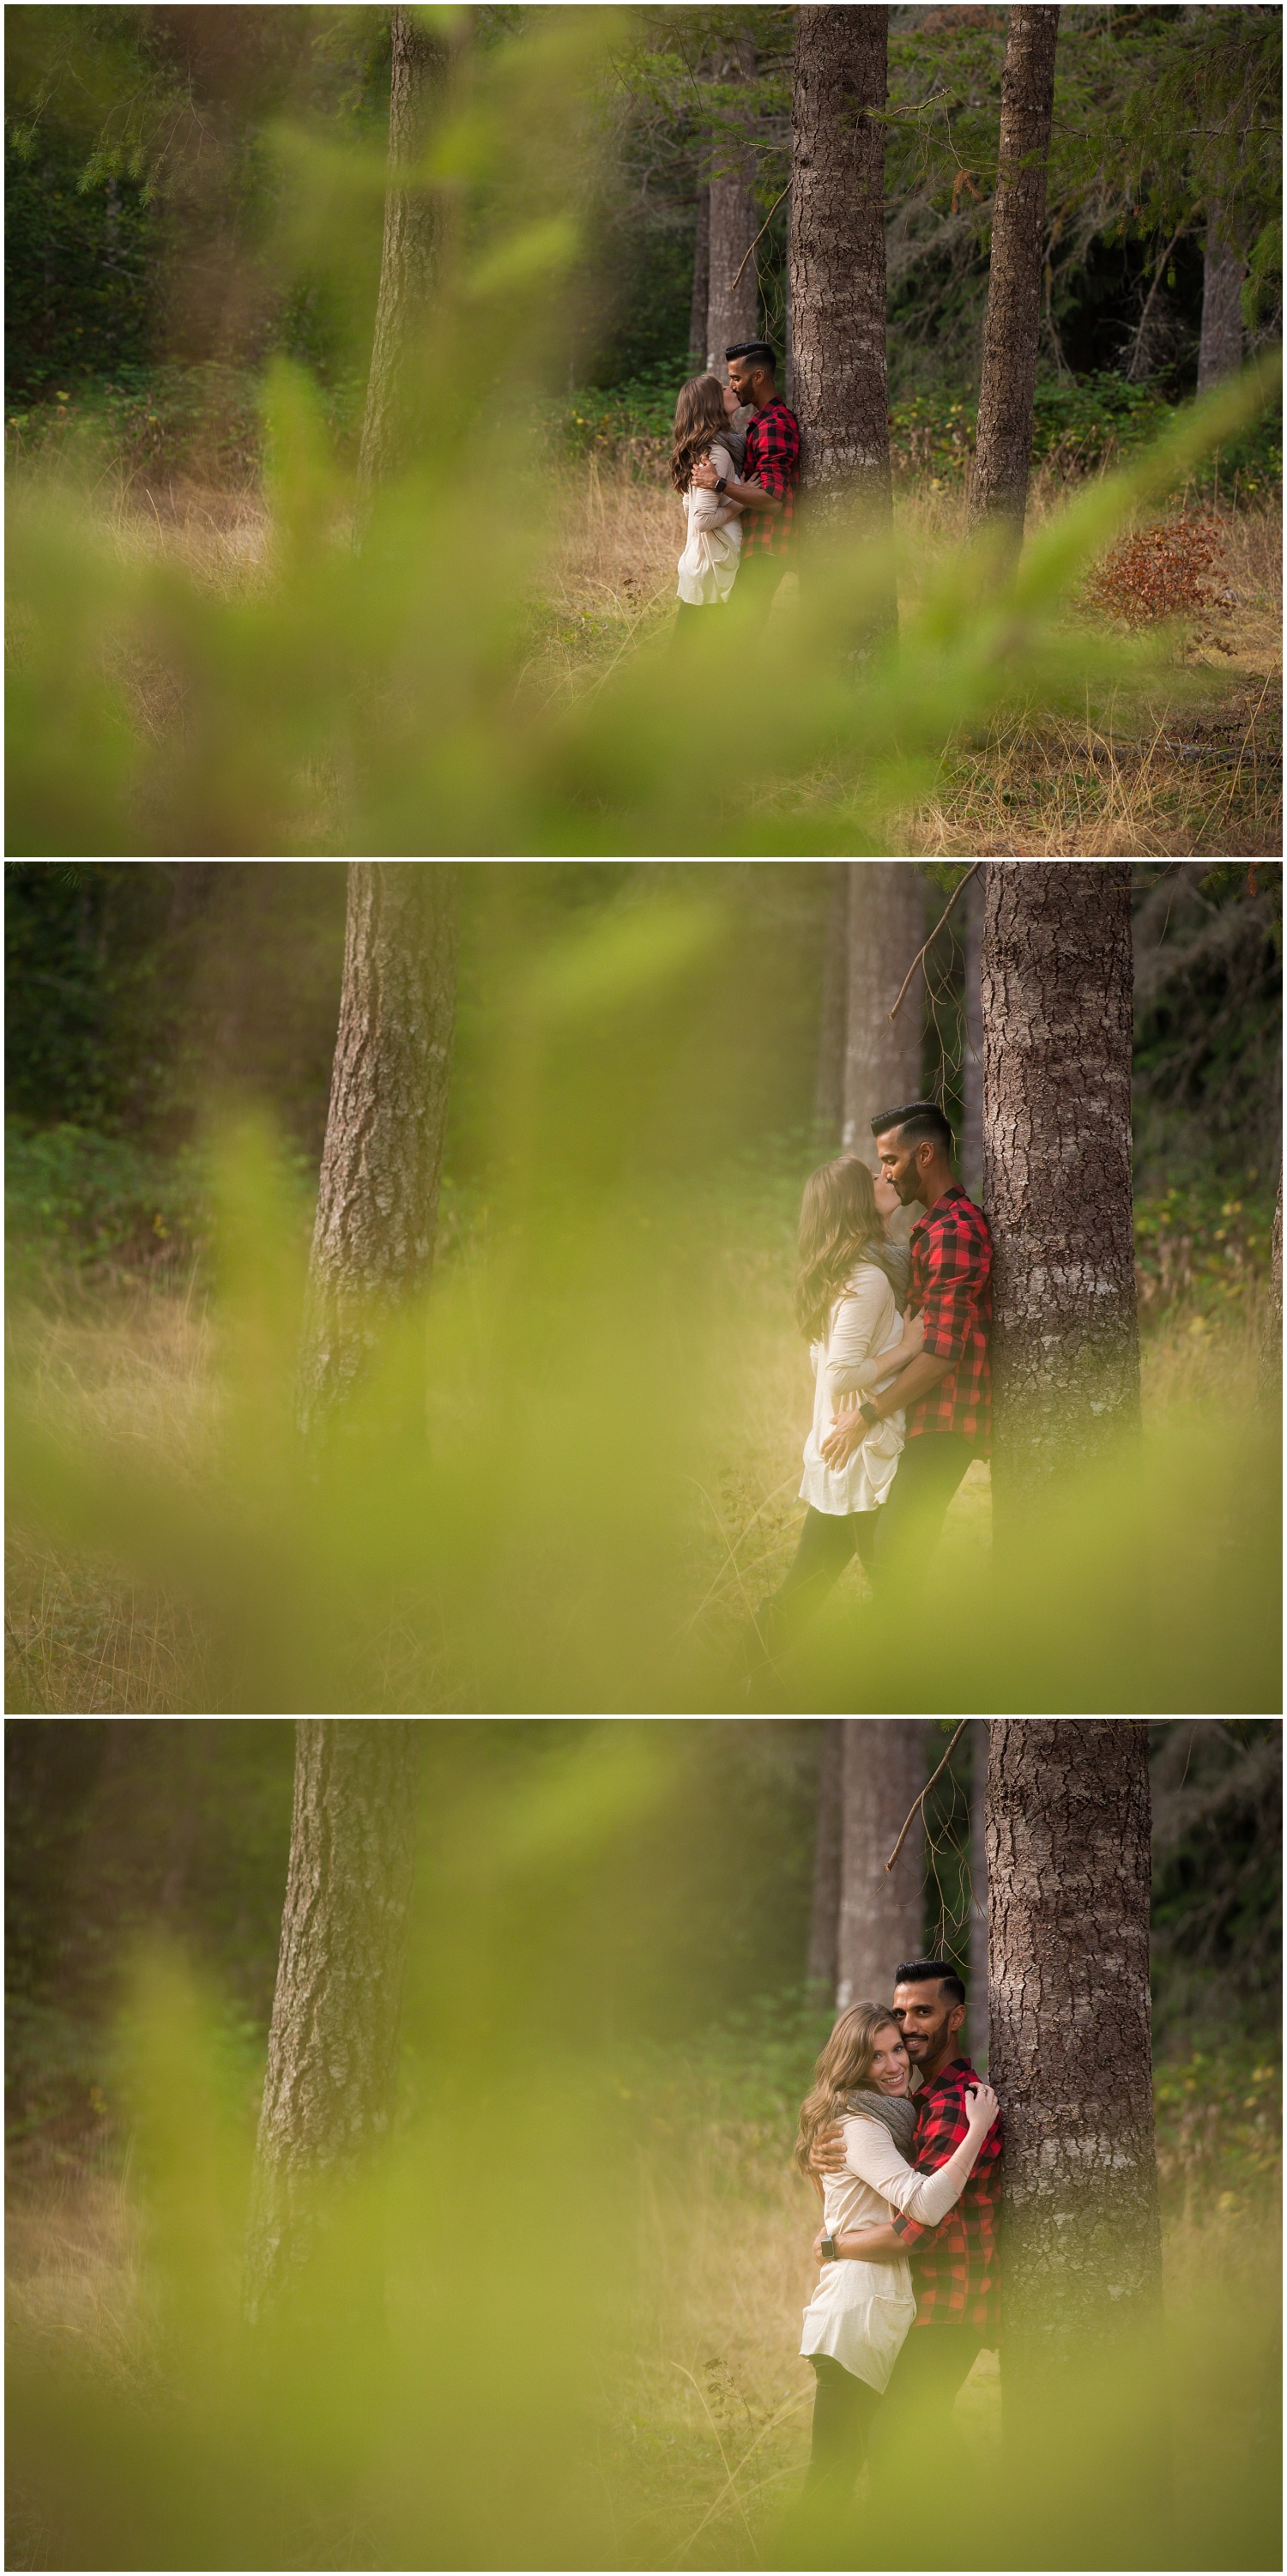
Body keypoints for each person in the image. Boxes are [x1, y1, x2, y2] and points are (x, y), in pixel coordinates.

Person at [793, 1999, 1000, 2532]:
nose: (893, 2065)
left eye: (897, 2050)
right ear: (852, 2066)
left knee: (912, 2448)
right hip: (857, 2318)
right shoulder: (861, 2126)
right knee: (836, 2478)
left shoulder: (892, 2117)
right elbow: (924, 2206)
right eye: (875, 2057)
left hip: (870, 2317)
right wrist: (977, 2130)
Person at [820, 1100, 992, 1585]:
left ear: (924, 1155)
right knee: (874, 1556)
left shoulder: (954, 1230)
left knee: (894, 1557)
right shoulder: (929, 1230)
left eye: (890, 1161)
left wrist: (867, 1414)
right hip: (916, 1414)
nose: (886, 1174)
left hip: (944, 1419)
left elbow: (942, 1353)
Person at [754, 1155, 916, 1662]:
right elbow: (838, 1372)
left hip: (850, 1454)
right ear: (854, 1202)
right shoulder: (866, 1278)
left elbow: (820, 1355)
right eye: (870, 1177)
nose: (883, 1176)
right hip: (863, 1462)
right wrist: (908, 1350)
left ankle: (742, 1679)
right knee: (900, 1600)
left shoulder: (860, 1268)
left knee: (804, 1592)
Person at [690, 340, 799, 632]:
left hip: (767, 545)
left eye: (736, 378)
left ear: (759, 377)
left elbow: (773, 500)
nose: (733, 385)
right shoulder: (759, 423)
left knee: (740, 636)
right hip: (756, 544)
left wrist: (719, 483)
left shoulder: (773, 424)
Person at [670, 375, 746, 633]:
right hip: (712, 568)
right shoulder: (715, 453)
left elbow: (689, 507)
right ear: (712, 403)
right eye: (722, 388)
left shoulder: (717, 447)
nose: (730, 388)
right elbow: (701, 519)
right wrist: (741, 500)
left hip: (706, 565)